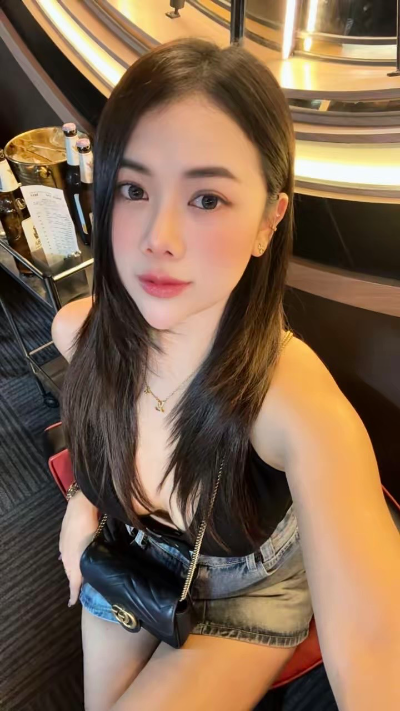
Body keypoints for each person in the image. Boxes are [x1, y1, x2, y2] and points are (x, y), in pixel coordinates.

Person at [52, 38, 400, 711]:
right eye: (133, 188)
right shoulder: (79, 331)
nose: (159, 237)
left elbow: (377, 645)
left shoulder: (292, 402)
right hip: (130, 550)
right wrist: (83, 503)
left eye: (207, 198)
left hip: (247, 593)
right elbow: (95, 416)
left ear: (269, 220)